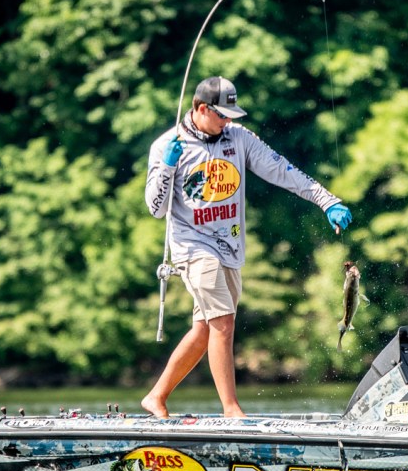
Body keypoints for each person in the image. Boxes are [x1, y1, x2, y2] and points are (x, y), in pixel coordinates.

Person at [142, 76, 352, 418]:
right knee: (223, 323)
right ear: (201, 109)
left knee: (205, 329)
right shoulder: (167, 145)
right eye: (222, 115)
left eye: (230, 116)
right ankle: (231, 410)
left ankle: (156, 396)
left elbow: (282, 170)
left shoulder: (239, 139)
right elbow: (155, 208)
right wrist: (167, 166)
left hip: (229, 246)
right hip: (193, 247)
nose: (227, 122)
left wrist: (327, 201)